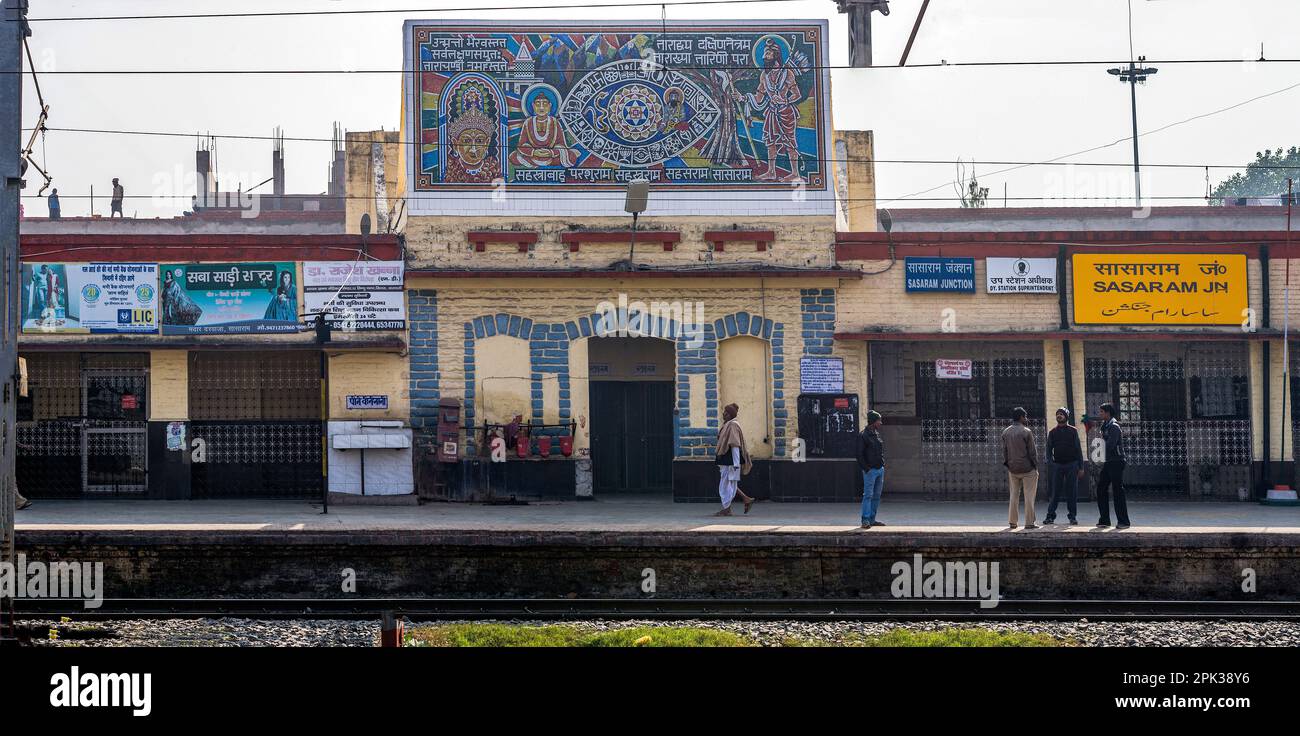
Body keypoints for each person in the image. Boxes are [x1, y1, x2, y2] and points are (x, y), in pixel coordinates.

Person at [1001, 406, 1039, 529]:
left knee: (1013, 495)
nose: (1026, 418)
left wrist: (1008, 464)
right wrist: (1035, 467)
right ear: (1021, 417)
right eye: (1025, 416)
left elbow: (1005, 451)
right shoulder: (1026, 431)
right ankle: (1029, 523)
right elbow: (1032, 452)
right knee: (1029, 496)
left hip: (1013, 468)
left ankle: (1012, 522)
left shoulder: (1006, 432)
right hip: (1028, 469)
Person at [1043, 407, 1083, 525]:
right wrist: (1051, 463)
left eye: (1061, 414)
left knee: (1072, 492)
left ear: (1066, 417)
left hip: (1072, 465)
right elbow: (1049, 450)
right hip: (1058, 466)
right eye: (1057, 414)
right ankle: (1050, 516)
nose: (1059, 416)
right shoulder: (1052, 432)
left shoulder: (1073, 431)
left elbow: (1078, 450)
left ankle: (1072, 517)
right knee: (1055, 492)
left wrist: (1081, 467)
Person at [713, 403, 755, 516]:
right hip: (726, 459)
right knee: (728, 483)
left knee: (726, 485)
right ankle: (745, 500)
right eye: (724, 412)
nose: (724, 414)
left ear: (731, 415)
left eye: (726, 413)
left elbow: (735, 445)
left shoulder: (733, 425)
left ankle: (727, 509)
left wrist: (736, 464)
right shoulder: (727, 425)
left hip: (730, 460)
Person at [1095, 403, 1131, 529]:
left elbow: (1110, 445)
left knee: (1117, 491)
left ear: (1107, 413)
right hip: (1109, 462)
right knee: (1101, 488)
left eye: (1101, 412)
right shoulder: (1105, 426)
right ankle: (1104, 519)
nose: (1100, 414)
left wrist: (1098, 447)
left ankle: (1123, 521)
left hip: (1116, 461)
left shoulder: (1114, 427)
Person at [856, 410, 886, 529]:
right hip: (870, 470)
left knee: (877, 496)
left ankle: (872, 519)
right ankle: (865, 520)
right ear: (873, 422)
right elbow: (859, 454)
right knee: (868, 495)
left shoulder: (876, 434)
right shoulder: (863, 435)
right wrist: (867, 469)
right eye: (879, 420)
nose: (880, 423)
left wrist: (883, 464)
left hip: (879, 469)